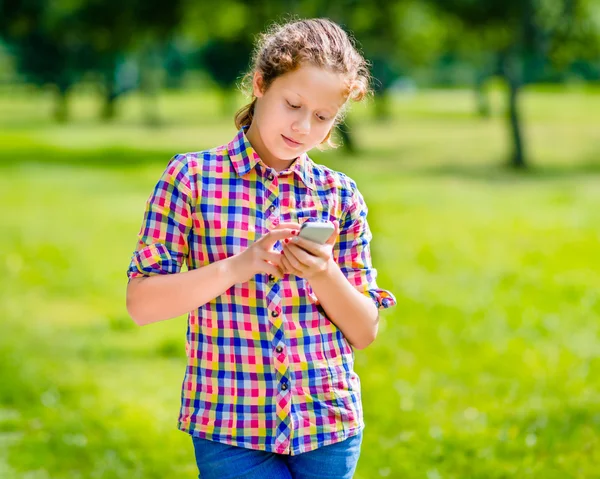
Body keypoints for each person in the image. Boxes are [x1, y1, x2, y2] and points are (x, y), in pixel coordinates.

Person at [126, 17, 396, 479]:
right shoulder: (191, 179)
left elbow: (365, 330)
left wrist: (323, 272)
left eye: (323, 117)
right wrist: (241, 265)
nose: (303, 126)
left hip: (328, 425)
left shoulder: (340, 194)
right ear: (259, 84)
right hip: (230, 426)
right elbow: (142, 304)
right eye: (293, 104)